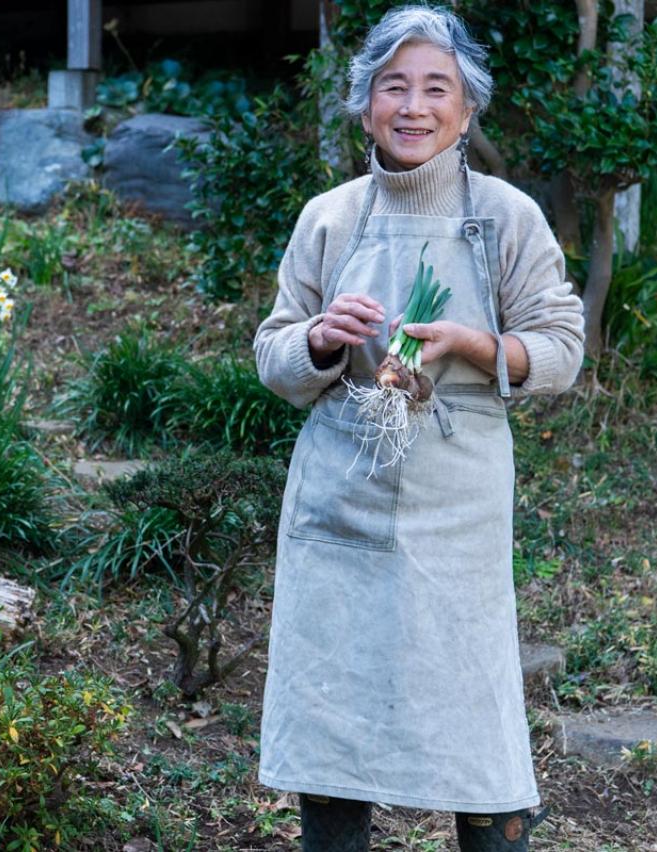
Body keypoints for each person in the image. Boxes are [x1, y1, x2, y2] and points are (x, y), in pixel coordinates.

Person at [253, 6, 585, 851]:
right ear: (365, 106)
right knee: (332, 717)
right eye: (392, 87)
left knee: (474, 716)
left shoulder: (506, 216)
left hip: (457, 494)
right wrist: (320, 340)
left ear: (466, 110)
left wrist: (474, 345)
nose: (413, 107)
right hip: (341, 485)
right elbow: (274, 354)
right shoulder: (329, 217)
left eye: (436, 89)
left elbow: (560, 350)